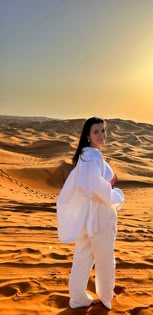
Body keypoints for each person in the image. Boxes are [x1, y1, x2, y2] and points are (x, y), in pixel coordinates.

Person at [57, 117, 124, 310]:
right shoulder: (93, 157)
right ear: (88, 135)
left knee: (83, 257)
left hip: (88, 217)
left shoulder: (85, 157)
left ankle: (78, 299)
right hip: (100, 216)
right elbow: (96, 188)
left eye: (103, 131)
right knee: (104, 258)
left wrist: (106, 187)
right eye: (96, 132)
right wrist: (116, 194)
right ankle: (105, 299)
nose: (101, 135)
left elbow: (85, 186)